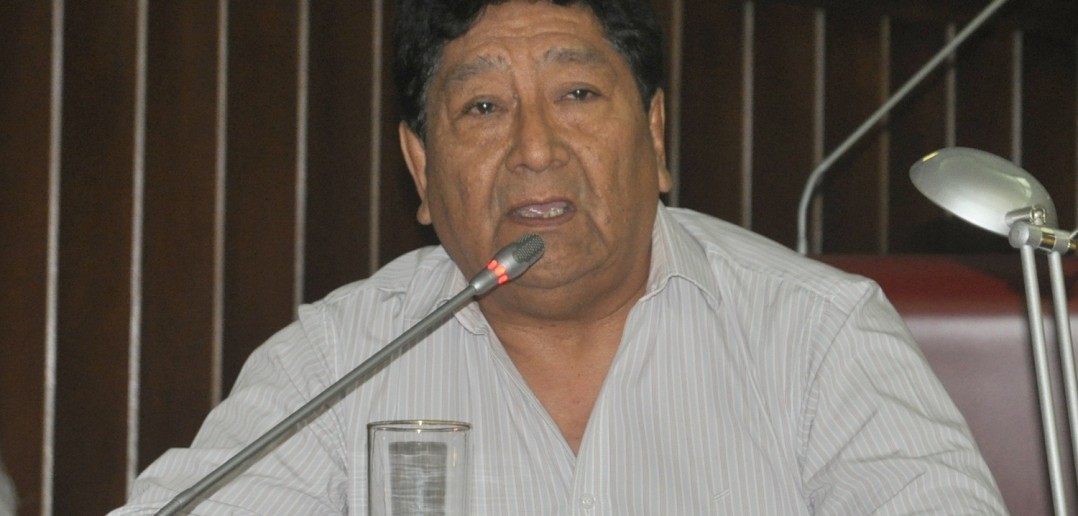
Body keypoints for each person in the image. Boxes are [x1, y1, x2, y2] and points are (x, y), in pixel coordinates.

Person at [112, 0, 1006, 513]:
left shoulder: (818, 336)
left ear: (654, 134)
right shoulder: (342, 359)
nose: (536, 149)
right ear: (420, 168)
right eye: (483, 109)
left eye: (577, 93)